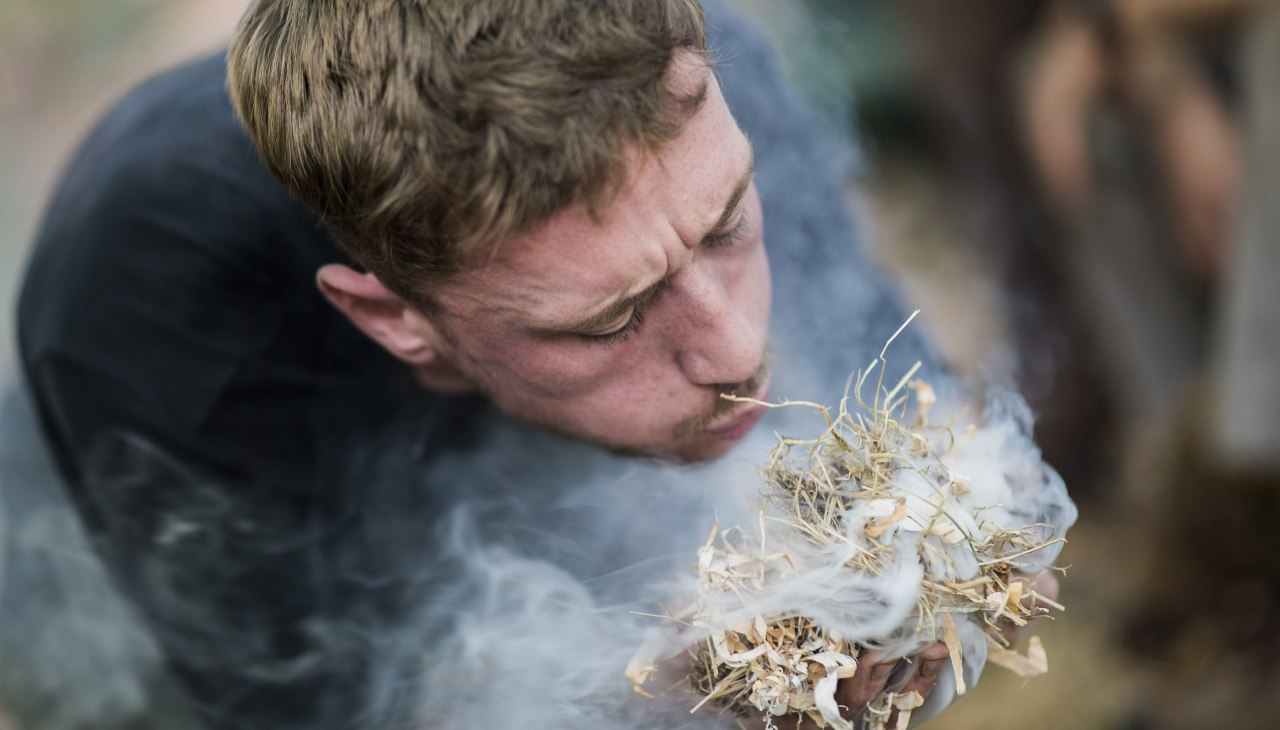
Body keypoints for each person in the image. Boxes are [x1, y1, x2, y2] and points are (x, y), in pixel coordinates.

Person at [9, 1, 1050, 728]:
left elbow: (921, 404)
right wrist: (678, 691)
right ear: (393, 320)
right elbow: (335, 702)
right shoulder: (155, 297)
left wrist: (953, 529)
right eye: (612, 318)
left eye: (727, 228)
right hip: (121, 554)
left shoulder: (679, 62)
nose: (738, 351)